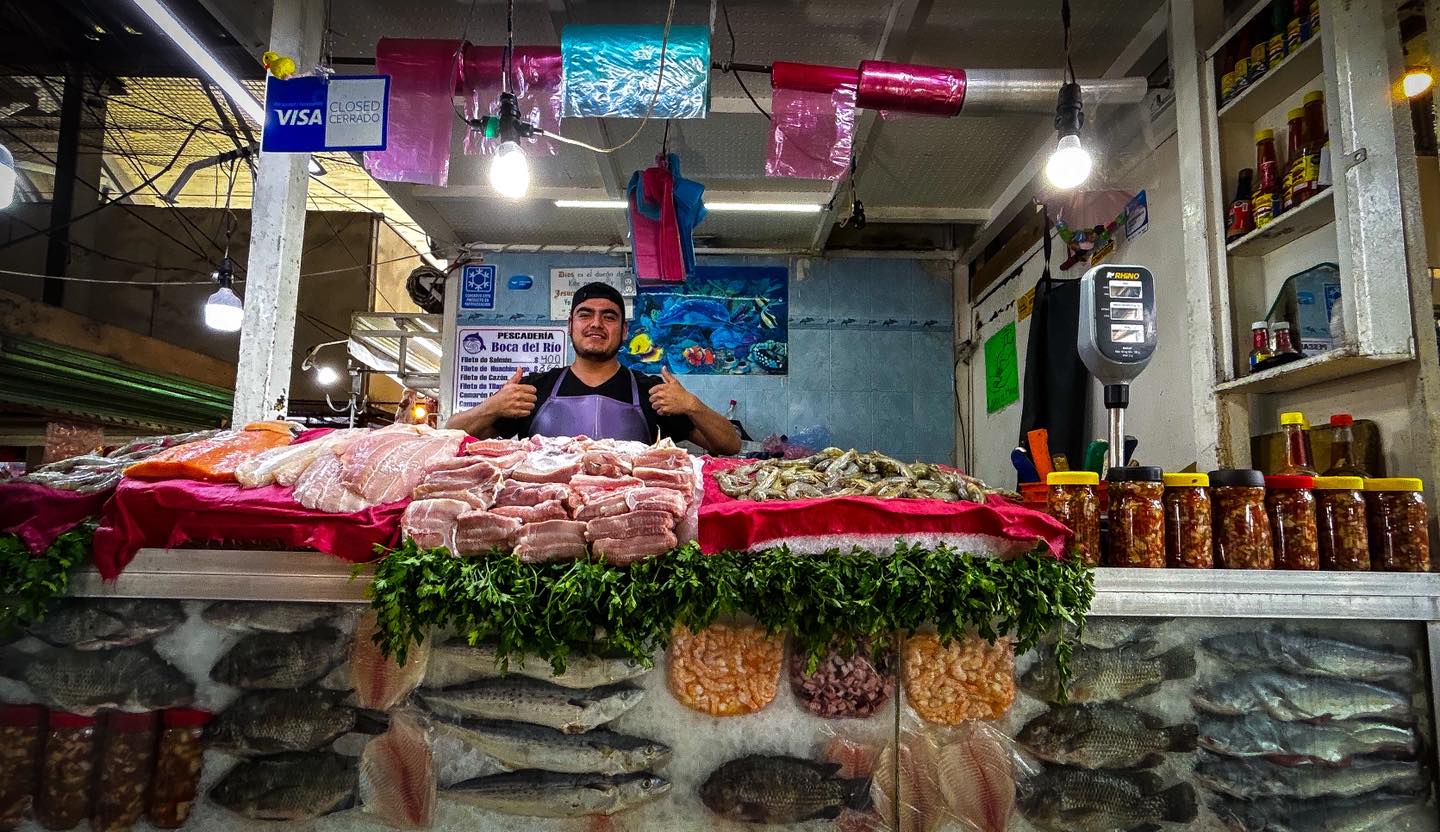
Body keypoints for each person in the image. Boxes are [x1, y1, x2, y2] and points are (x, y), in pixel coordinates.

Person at [446, 282, 742, 455]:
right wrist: (492, 407)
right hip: (545, 531)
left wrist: (692, 405)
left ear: (625, 330)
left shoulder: (652, 392)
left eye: (609, 317)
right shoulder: (533, 390)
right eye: (585, 314)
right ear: (570, 326)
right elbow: (450, 437)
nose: (596, 324)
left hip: (629, 530)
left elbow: (729, 445)